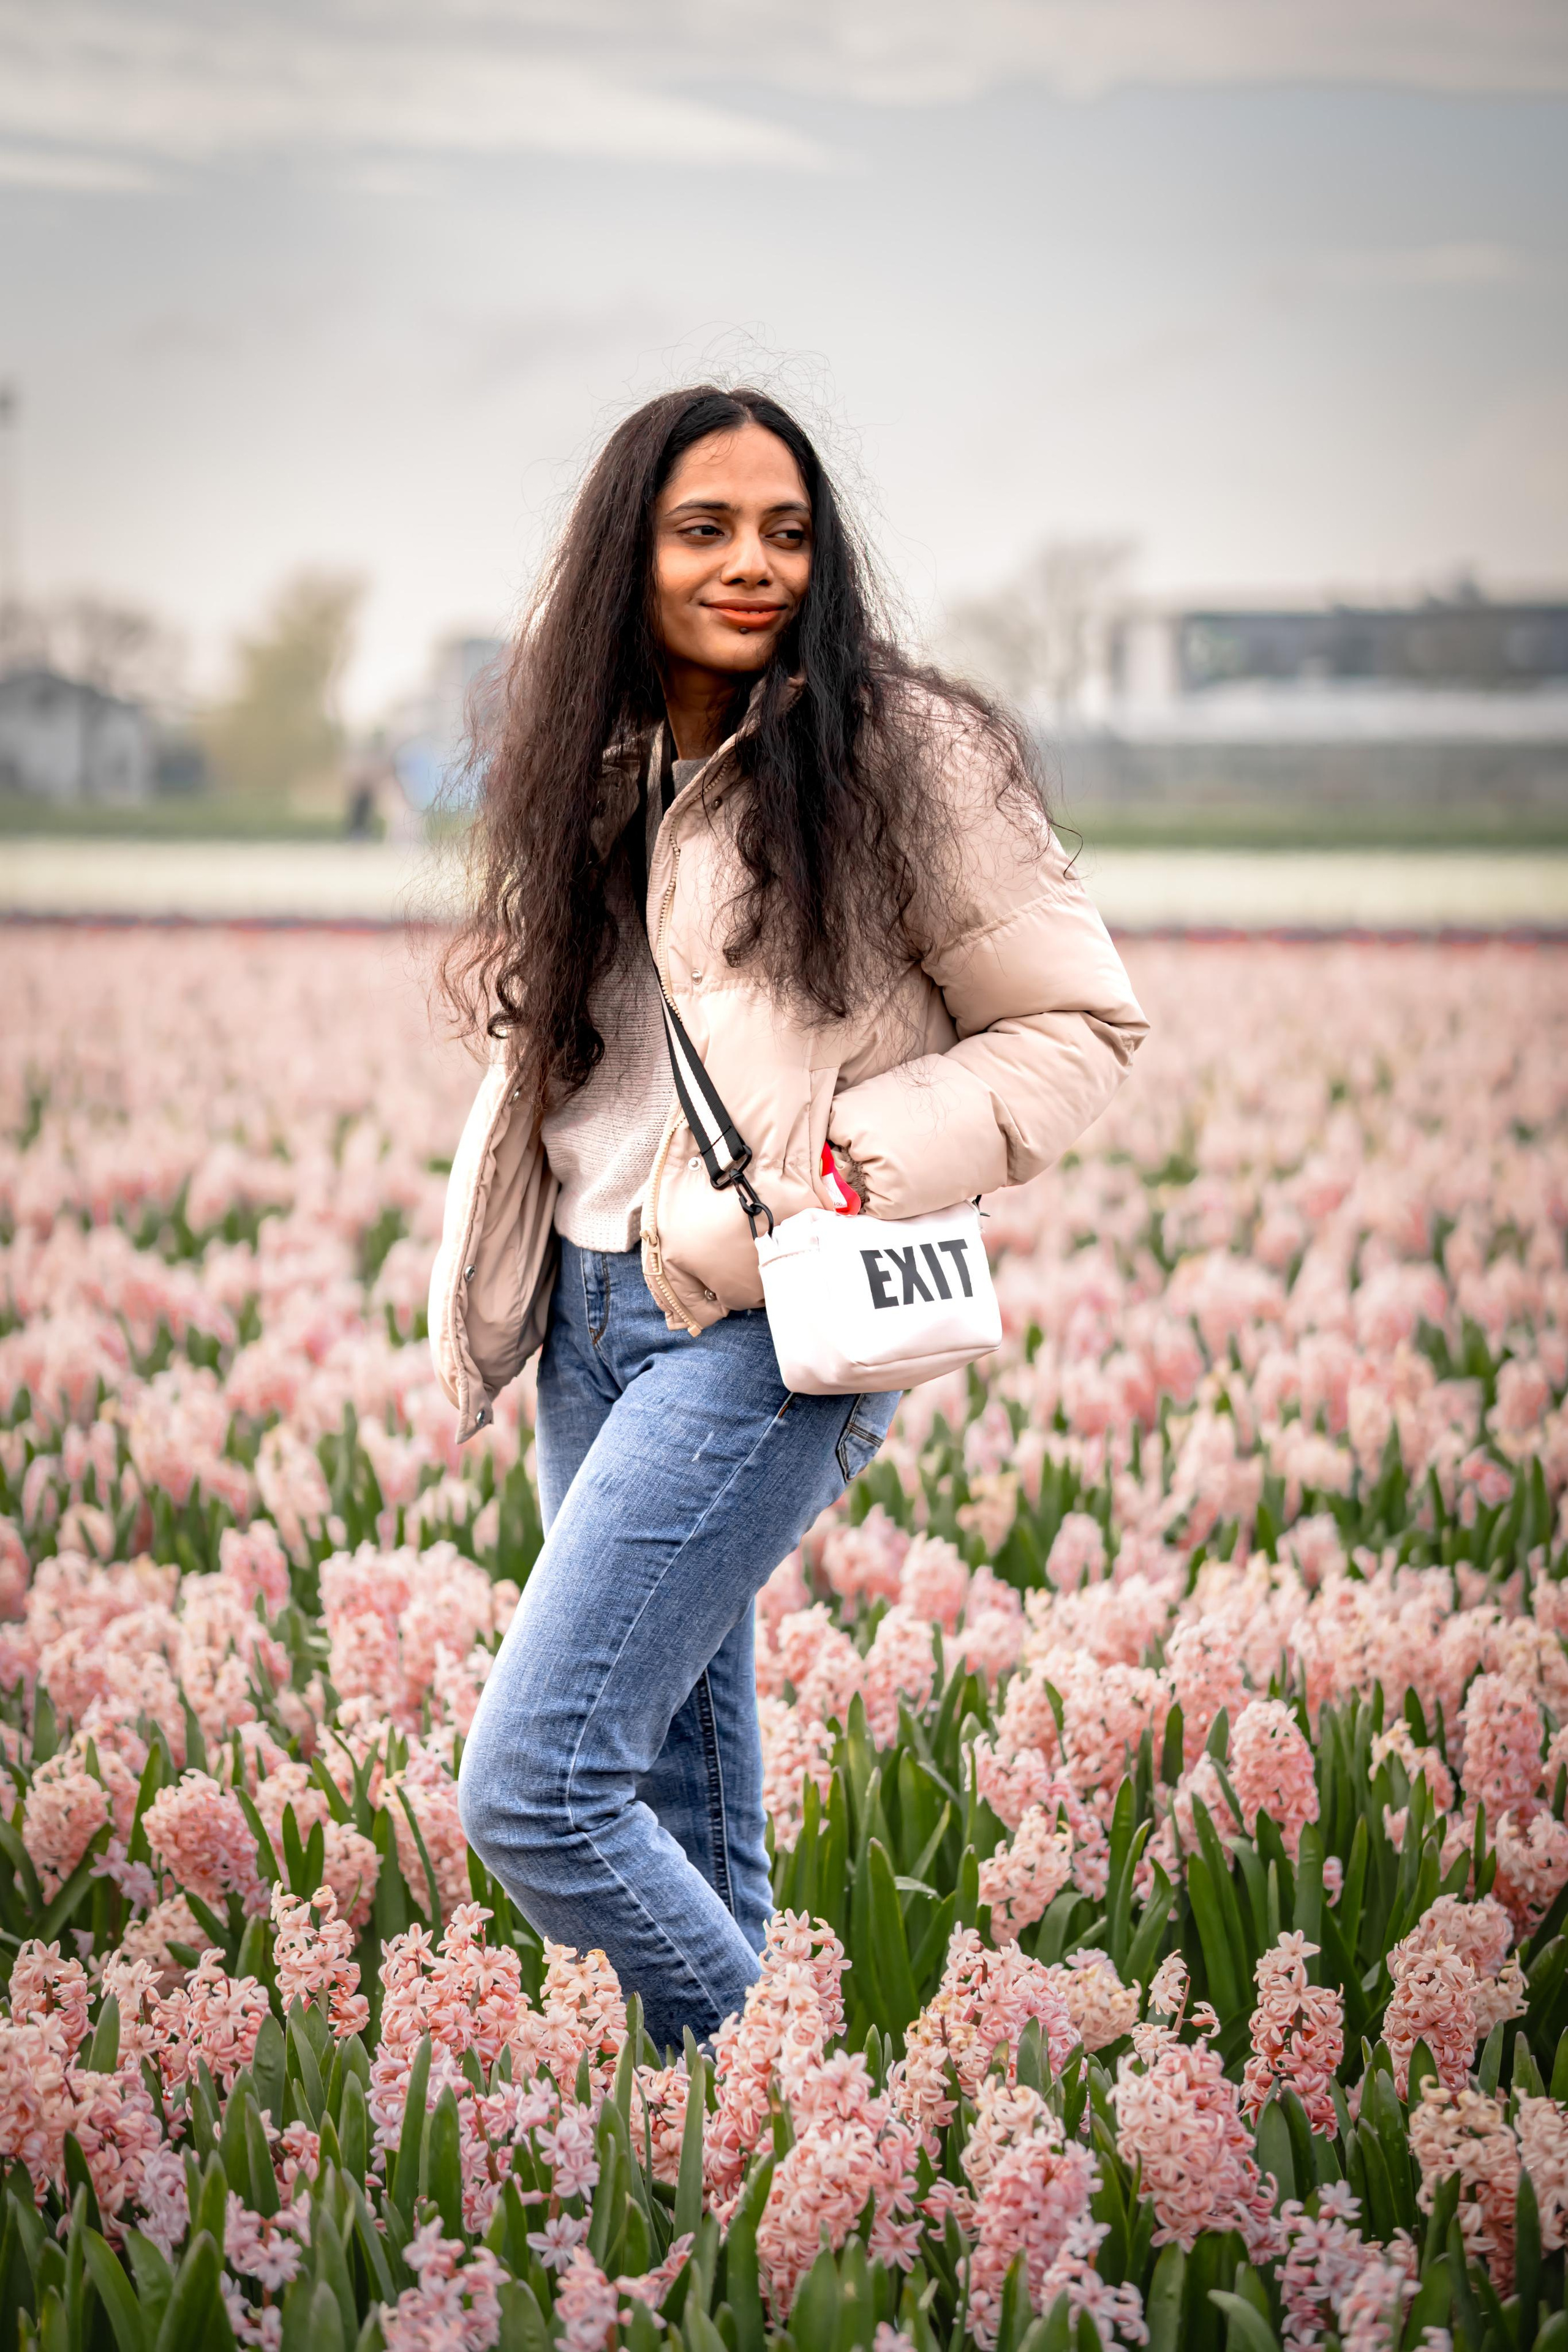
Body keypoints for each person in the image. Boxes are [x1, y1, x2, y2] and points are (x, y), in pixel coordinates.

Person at [430, 384, 1148, 2053]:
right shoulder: (587, 752)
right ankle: (725, 2223)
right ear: (629, 550)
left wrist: (840, 1168)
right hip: (591, 1317)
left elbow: (1079, 1027)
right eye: (705, 528)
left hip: (770, 1318)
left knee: (541, 1789)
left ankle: (824, 2133)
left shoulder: (904, 751)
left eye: (788, 529)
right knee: (672, 1809)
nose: (754, 563)